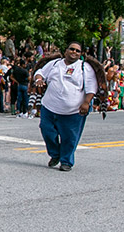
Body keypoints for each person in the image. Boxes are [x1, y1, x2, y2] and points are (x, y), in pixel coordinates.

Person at [32, 42, 98, 172]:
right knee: (47, 130)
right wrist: (39, 79)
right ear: (66, 51)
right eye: (71, 49)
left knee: (69, 137)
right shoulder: (55, 63)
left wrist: (86, 102)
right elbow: (40, 72)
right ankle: (55, 154)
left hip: (73, 111)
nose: (74, 52)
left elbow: (91, 87)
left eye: (77, 51)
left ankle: (66, 161)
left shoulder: (85, 67)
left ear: (81, 54)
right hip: (49, 106)